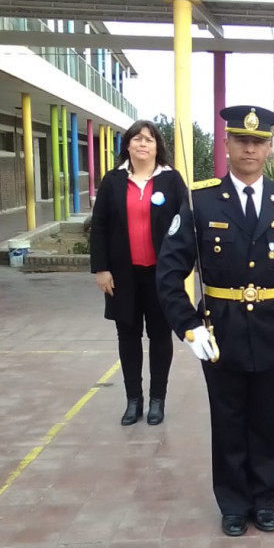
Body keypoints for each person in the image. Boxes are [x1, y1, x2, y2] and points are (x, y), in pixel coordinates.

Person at [155, 105, 274, 537]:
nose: (250, 148)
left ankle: (265, 499)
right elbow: (169, 274)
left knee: (269, 419)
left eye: (258, 141)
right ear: (226, 144)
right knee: (227, 419)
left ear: (269, 147)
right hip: (220, 329)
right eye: (241, 140)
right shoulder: (200, 199)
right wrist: (188, 326)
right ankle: (232, 503)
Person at [90, 119, 187, 427]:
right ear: (128, 145)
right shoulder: (114, 180)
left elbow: (187, 225)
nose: (143, 144)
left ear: (157, 146)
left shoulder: (171, 181)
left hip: (161, 275)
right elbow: (100, 226)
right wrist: (101, 268)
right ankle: (134, 400)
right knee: (128, 336)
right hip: (122, 275)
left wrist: (180, 269)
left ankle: (158, 399)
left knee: (160, 336)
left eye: (149, 139)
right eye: (137, 139)